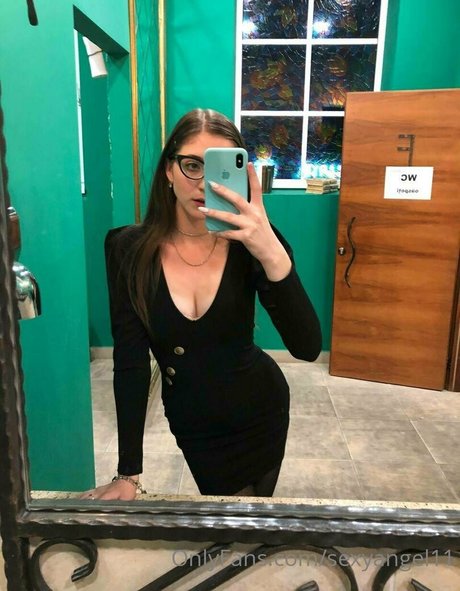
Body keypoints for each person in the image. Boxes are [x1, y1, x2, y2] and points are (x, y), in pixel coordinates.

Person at [81, 108, 322, 501]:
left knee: (246, 522)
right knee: (232, 520)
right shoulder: (129, 250)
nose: (203, 183)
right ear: (168, 170)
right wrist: (128, 473)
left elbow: (307, 347)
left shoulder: (254, 242)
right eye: (192, 165)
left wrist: (272, 253)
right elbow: (130, 362)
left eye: (219, 169)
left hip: (261, 411)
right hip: (194, 422)